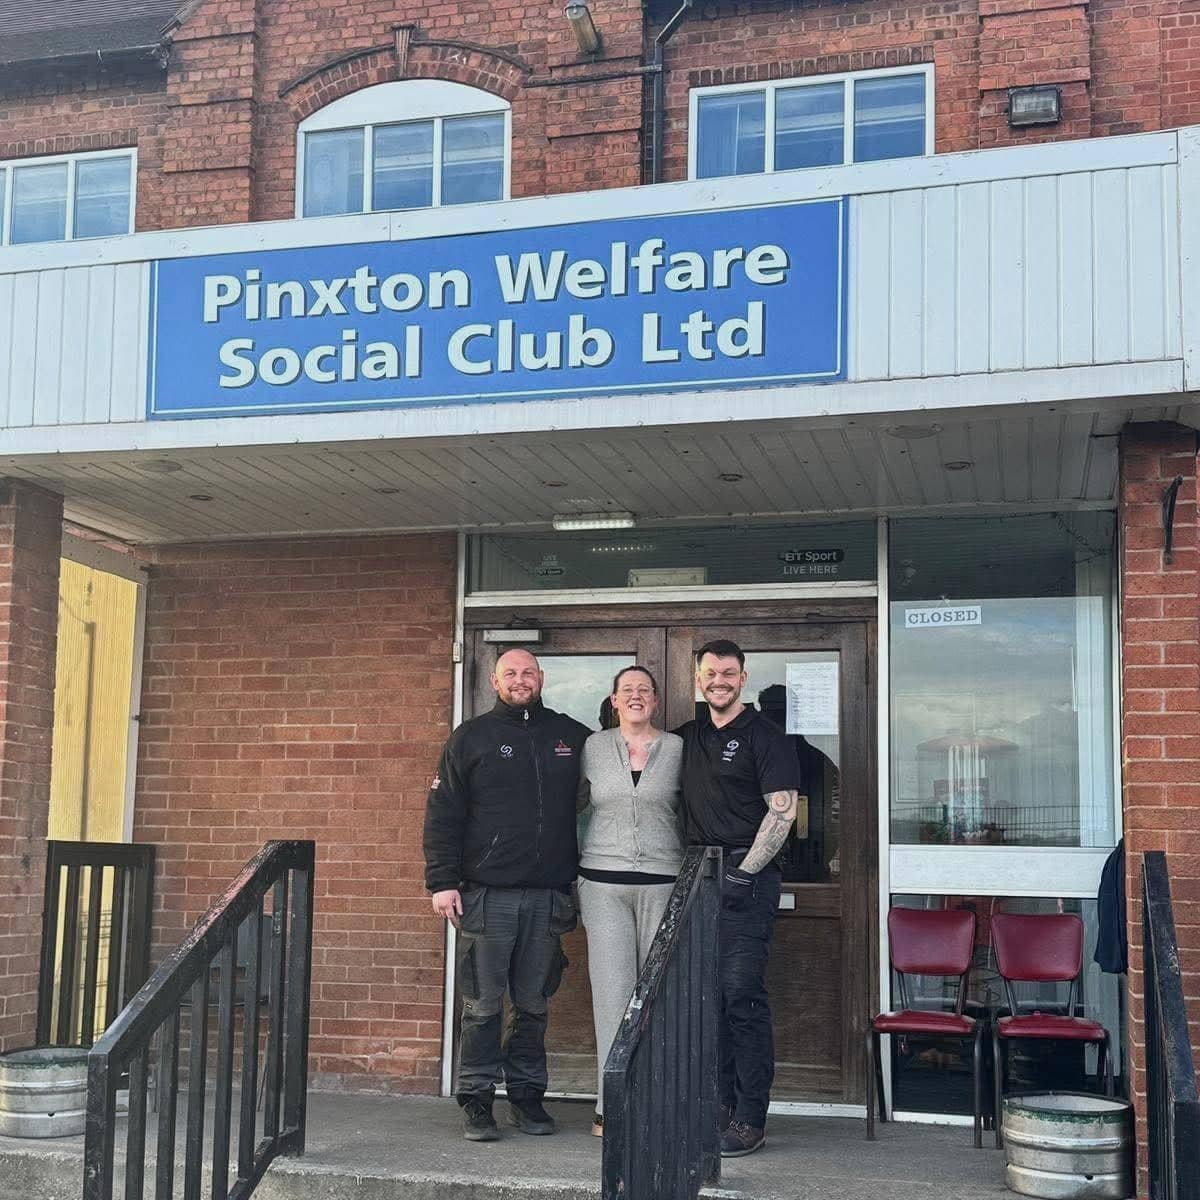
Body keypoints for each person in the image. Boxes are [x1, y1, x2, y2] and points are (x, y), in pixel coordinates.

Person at [423, 648, 590, 1142]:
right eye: (511, 673)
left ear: (542, 678)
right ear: (495, 682)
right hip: (486, 896)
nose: (521, 680)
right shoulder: (470, 737)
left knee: (533, 1005)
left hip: (547, 897)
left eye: (528, 672)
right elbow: (443, 814)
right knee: (482, 1005)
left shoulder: (571, 736)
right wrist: (441, 881)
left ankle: (527, 1097)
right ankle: (477, 1100)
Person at [676, 639, 800, 1158]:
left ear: (743, 678)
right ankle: (721, 1106)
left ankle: (751, 1117)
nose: (719, 681)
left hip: (747, 881)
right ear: (698, 679)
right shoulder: (688, 737)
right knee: (710, 1000)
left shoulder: (766, 737)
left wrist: (746, 873)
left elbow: (783, 812)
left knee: (741, 997)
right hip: (696, 877)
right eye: (710, 672)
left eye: (728, 672)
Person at [577, 666, 684, 1137]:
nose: (636, 696)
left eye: (644, 690)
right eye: (627, 690)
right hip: (602, 886)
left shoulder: (678, 749)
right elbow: (564, 804)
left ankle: (659, 1100)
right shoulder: (592, 748)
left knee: (661, 995)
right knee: (612, 996)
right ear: (614, 700)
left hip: (664, 883)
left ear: (655, 701)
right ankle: (612, 1105)